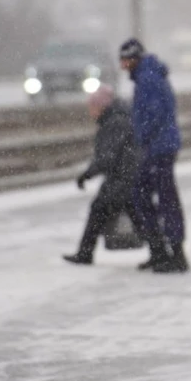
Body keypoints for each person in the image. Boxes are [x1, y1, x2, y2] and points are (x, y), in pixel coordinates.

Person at [118, 37, 189, 273]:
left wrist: (142, 136)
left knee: (159, 198)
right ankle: (161, 251)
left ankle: (172, 254)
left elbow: (153, 114)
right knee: (149, 195)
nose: (123, 66)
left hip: (159, 148)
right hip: (160, 146)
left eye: (124, 61)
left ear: (132, 59)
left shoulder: (147, 78)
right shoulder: (147, 75)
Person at [63, 84, 138, 266]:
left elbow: (107, 156)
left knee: (99, 210)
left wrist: (86, 175)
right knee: (138, 215)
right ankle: (160, 251)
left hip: (122, 179)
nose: (90, 111)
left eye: (92, 107)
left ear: (101, 106)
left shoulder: (114, 123)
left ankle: (85, 254)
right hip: (128, 177)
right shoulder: (119, 118)